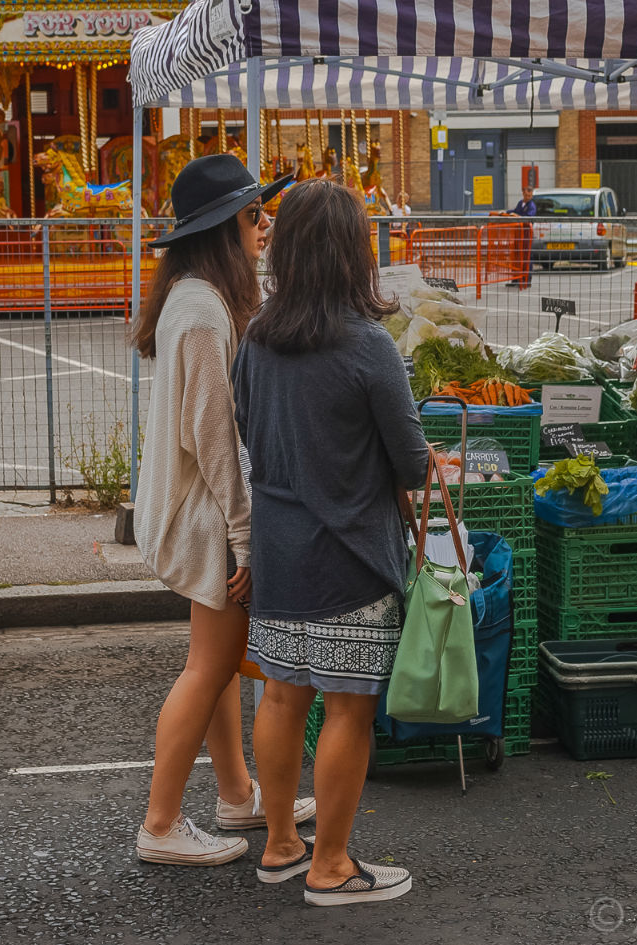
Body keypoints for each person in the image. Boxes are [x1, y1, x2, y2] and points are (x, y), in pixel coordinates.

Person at [232, 178, 430, 905]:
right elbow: (411, 463)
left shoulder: (257, 337)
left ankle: (282, 845)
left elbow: (249, 431)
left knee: (283, 698)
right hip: (351, 555)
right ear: (353, 253)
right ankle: (332, 865)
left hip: (280, 551)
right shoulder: (367, 344)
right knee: (347, 705)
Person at [131, 154, 314, 866]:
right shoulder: (204, 310)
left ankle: (236, 794)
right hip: (207, 513)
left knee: (216, 660)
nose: (263, 224)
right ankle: (161, 821)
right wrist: (247, 538)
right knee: (208, 667)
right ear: (221, 228)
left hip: (192, 507)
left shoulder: (191, 295)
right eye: (252, 215)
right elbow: (213, 437)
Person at [505, 185, 535, 289]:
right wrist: (506, 213)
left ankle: (526, 279)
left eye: (530, 195)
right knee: (517, 256)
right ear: (523, 194)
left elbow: (529, 216)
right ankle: (516, 278)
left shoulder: (531, 205)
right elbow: (515, 211)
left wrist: (517, 216)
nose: (528, 197)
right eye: (526, 195)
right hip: (518, 234)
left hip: (526, 234)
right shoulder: (520, 203)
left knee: (526, 257)